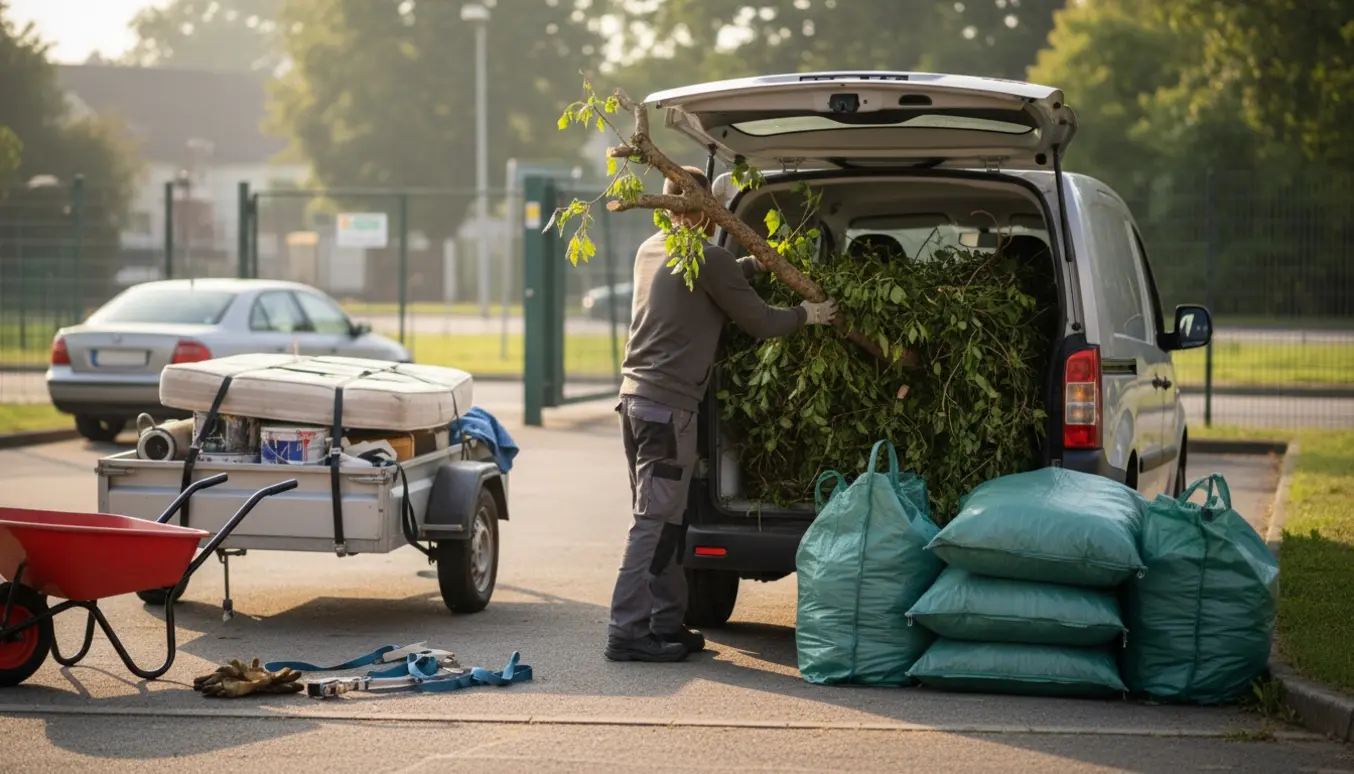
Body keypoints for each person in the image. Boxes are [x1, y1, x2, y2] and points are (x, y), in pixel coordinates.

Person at [605, 166, 839, 663]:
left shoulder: (652, 250)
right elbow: (758, 321)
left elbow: (715, 277)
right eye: (711, 208)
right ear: (698, 210)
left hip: (636, 403)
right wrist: (809, 315)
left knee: (669, 519)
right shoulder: (707, 258)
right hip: (669, 411)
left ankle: (667, 623)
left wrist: (759, 264)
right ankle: (626, 632)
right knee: (653, 521)